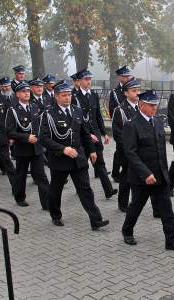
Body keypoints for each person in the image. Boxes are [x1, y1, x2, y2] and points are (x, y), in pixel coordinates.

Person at [121, 89, 174, 253]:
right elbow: (130, 153)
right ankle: (127, 230)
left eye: (155, 105)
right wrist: (145, 173)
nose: (154, 108)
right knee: (136, 206)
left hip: (159, 175)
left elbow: (162, 151)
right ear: (142, 105)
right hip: (141, 178)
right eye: (151, 105)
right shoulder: (132, 125)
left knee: (166, 210)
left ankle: (171, 241)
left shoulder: (158, 122)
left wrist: (164, 173)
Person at [39, 80, 109, 231]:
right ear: (56, 96)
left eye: (69, 94)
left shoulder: (77, 111)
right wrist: (63, 149)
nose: (67, 98)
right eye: (64, 95)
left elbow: (85, 134)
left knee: (85, 189)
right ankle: (56, 215)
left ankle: (96, 219)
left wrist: (91, 150)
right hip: (59, 159)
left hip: (78, 156)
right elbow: (44, 138)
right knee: (56, 190)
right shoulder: (49, 114)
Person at [74, 69, 118, 199]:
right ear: (80, 81)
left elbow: (97, 115)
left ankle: (108, 190)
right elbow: (77, 120)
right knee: (82, 165)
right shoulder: (74, 97)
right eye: (86, 79)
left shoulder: (93, 95)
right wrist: (87, 134)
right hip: (83, 137)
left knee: (100, 163)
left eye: (89, 79)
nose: (88, 82)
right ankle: (81, 188)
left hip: (95, 135)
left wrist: (104, 133)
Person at [5, 81, 49, 208]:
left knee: (41, 175)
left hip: (37, 148)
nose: (26, 93)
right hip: (22, 148)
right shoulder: (13, 110)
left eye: (27, 91)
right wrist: (25, 137)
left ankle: (46, 203)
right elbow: (9, 132)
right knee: (21, 175)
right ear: (17, 94)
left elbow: (41, 126)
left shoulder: (35, 107)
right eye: (23, 91)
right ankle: (19, 197)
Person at [112, 77, 141, 212]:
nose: (137, 93)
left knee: (139, 177)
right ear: (126, 93)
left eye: (138, 90)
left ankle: (137, 201)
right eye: (134, 91)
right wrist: (130, 148)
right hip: (127, 151)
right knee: (126, 178)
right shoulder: (120, 110)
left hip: (140, 150)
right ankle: (122, 204)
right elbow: (117, 133)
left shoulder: (142, 107)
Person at [109, 65, 134, 183]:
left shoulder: (133, 89)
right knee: (120, 150)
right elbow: (112, 110)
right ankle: (116, 173)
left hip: (132, 125)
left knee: (121, 152)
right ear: (119, 77)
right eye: (124, 76)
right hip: (122, 126)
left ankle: (117, 172)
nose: (127, 78)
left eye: (128, 76)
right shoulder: (115, 92)